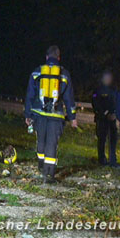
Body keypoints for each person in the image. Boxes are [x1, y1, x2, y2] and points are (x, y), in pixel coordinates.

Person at [24, 45, 78, 183]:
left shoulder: (37, 72)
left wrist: (28, 115)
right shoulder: (64, 74)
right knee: (51, 144)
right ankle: (49, 174)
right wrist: (72, 118)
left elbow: (30, 95)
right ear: (59, 57)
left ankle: (41, 166)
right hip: (56, 115)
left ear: (46, 57)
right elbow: (69, 98)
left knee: (41, 140)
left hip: (39, 114)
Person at [92, 71, 117, 166]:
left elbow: (115, 102)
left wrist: (114, 113)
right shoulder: (98, 90)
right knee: (102, 139)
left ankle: (112, 159)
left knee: (113, 139)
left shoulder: (113, 89)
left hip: (112, 118)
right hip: (101, 118)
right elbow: (95, 103)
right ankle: (101, 159)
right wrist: (105, 113)